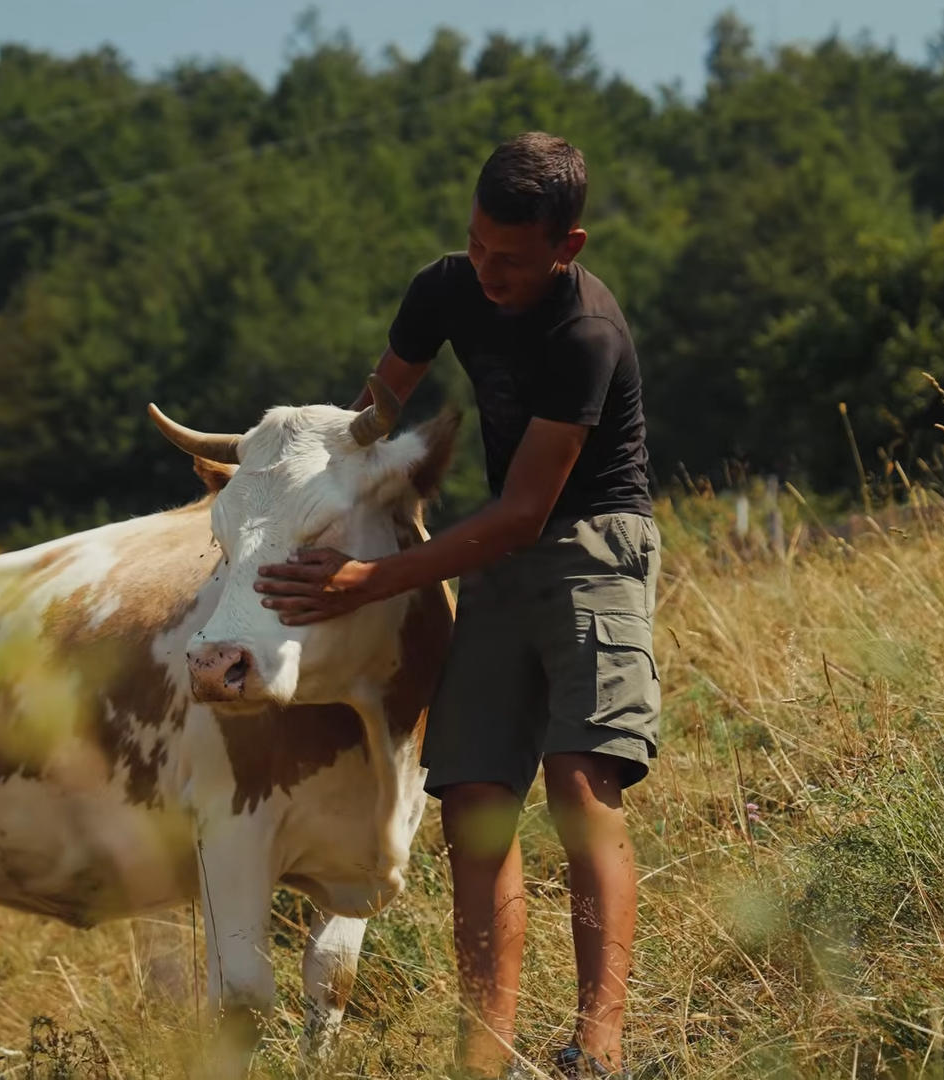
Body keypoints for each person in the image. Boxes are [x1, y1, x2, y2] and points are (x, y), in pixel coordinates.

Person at [253, 131, 658, 1079]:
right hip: (494, 555)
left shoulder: (584, 336)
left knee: (577, 785)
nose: (487, 271)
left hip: (591, 544)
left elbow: (526, 509)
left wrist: (374, 580)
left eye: (511, 258)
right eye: (477, 245)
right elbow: (372, 416)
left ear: (570, 246)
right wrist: (292, 484)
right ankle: (488, 1055)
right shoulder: (444, 287)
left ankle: (595, 1051)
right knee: (473, 797)